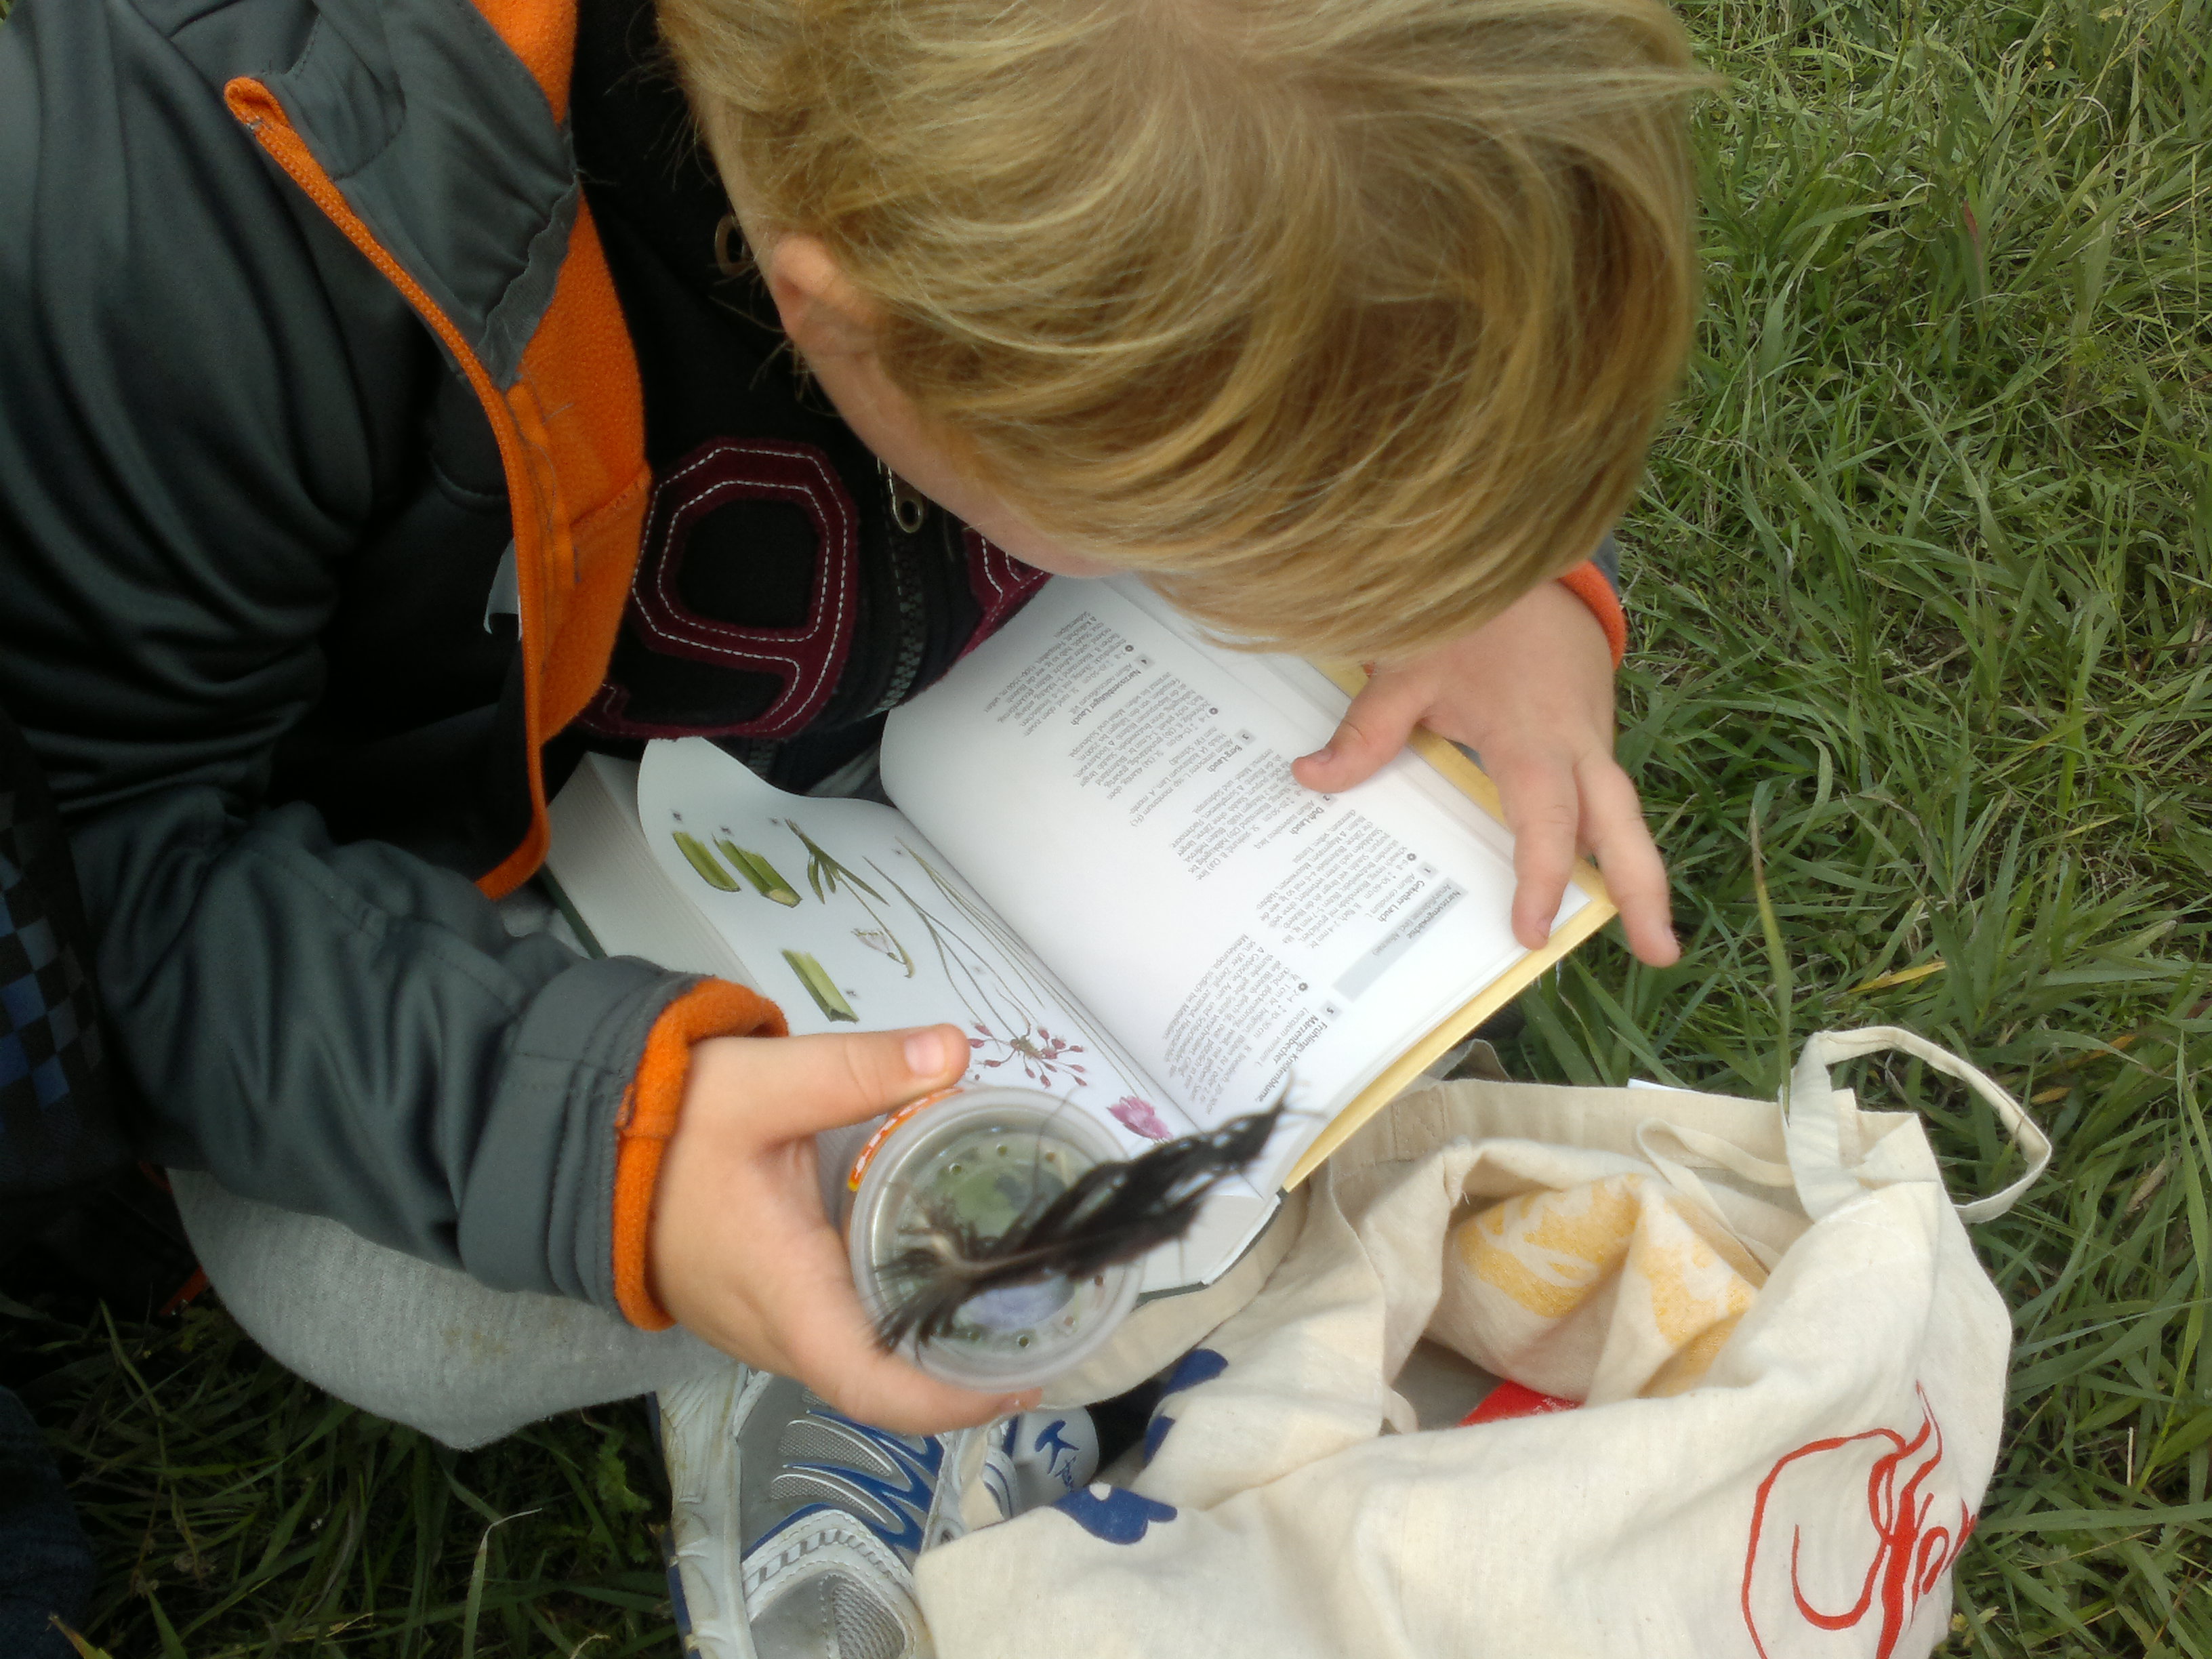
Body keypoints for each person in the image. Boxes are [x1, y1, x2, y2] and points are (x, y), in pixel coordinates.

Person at [0, 0, 1701, 1648]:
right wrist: (615, 1146)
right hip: (448, 896)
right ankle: (843, 1371)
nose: (1296, 599)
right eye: (1202, 541)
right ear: (840, 327)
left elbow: (1412, 271)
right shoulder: (201, 225)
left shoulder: (1162, 164)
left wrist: (1509, 591)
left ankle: (977, 1331)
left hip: (934, 762)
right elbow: (113, 881)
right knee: (397, 1313)